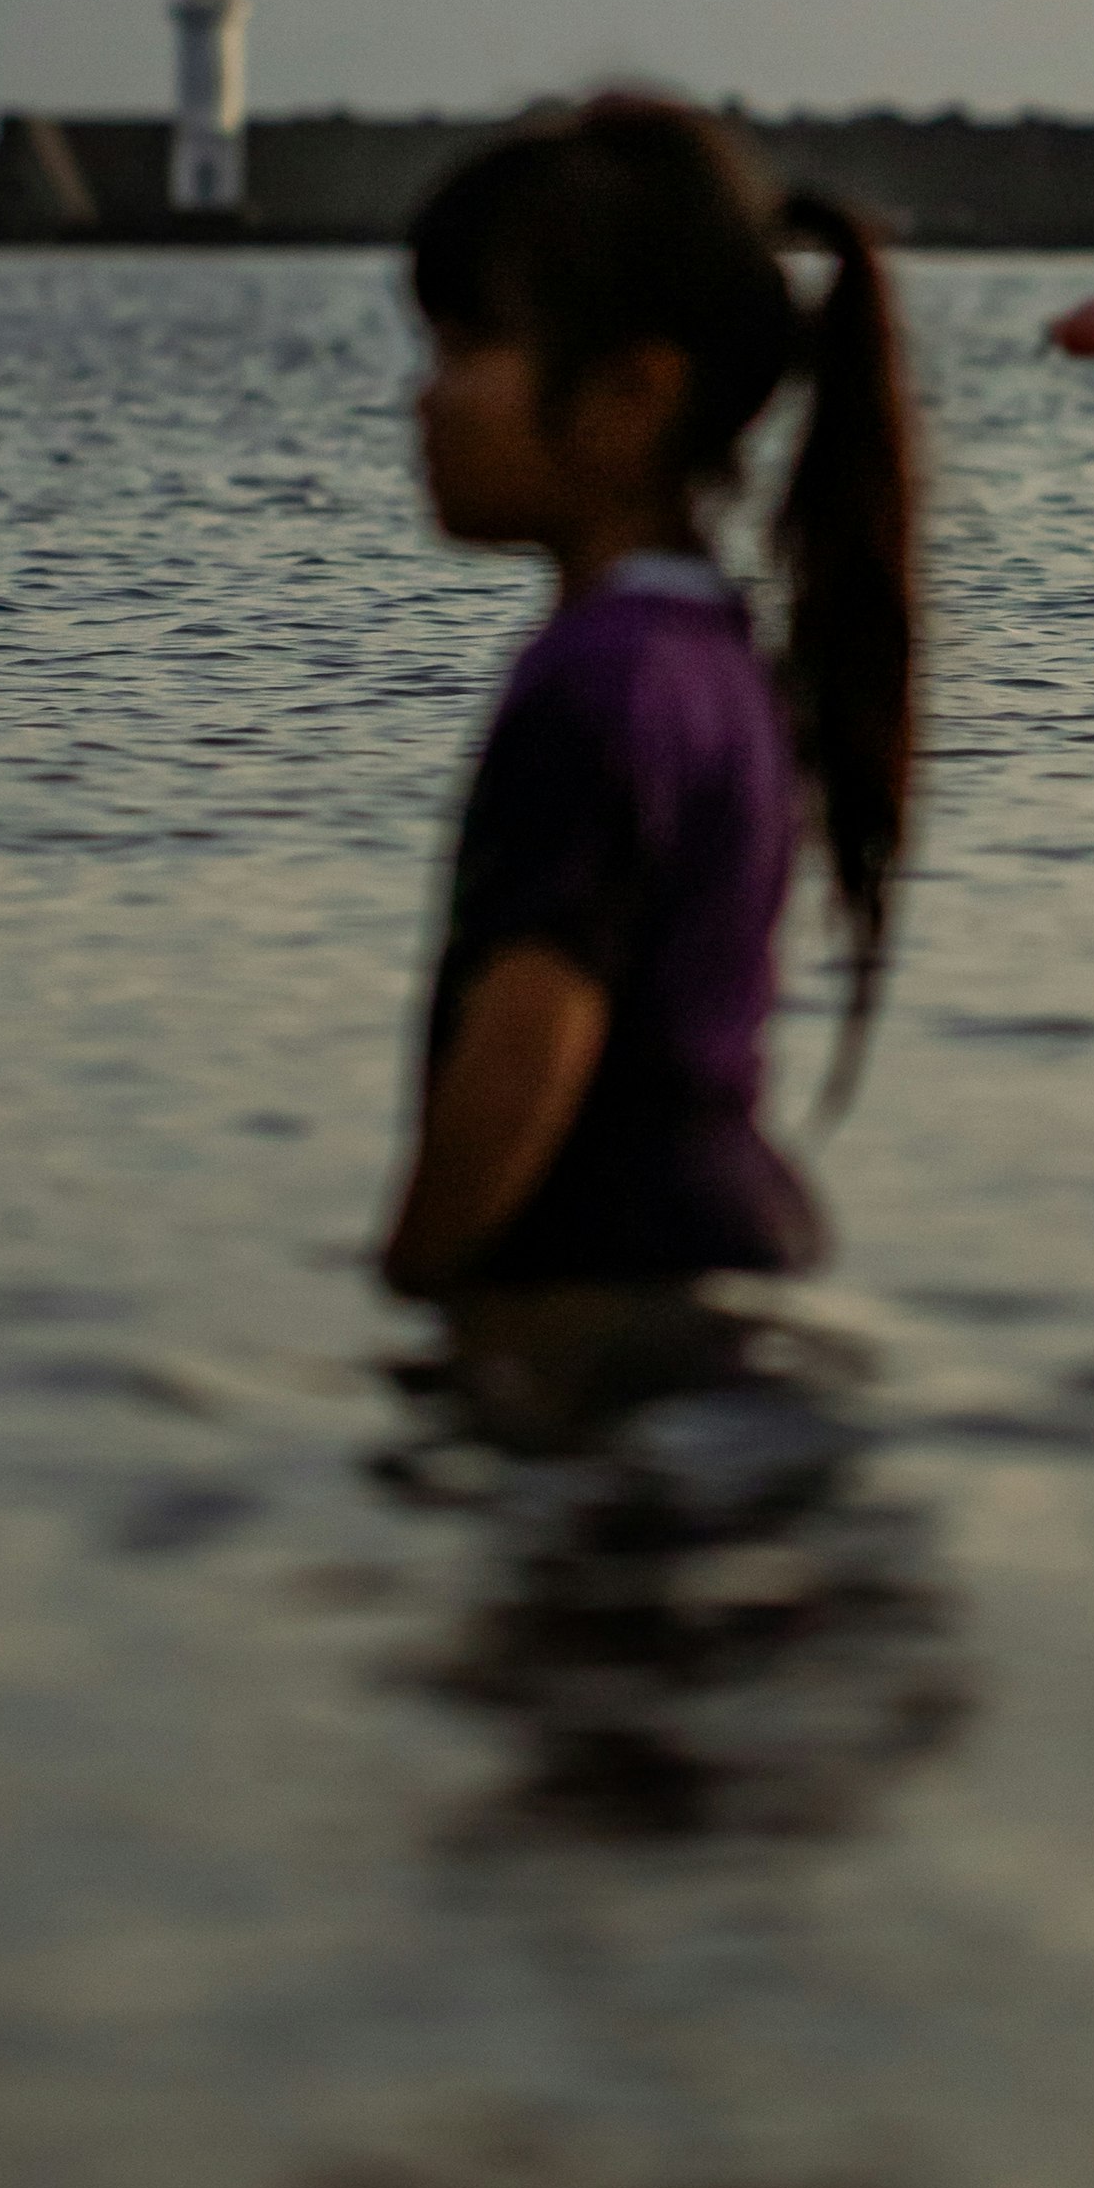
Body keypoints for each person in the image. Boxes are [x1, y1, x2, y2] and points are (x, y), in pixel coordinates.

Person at [379, 94, 918, 1411]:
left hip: (608, 1305)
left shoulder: (592, 685)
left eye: (469, 348)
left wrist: (414, 1292)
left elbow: (532, 1035)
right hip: (725, 1254)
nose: (423, 400)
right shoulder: (714, 659)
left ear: (633, 394)